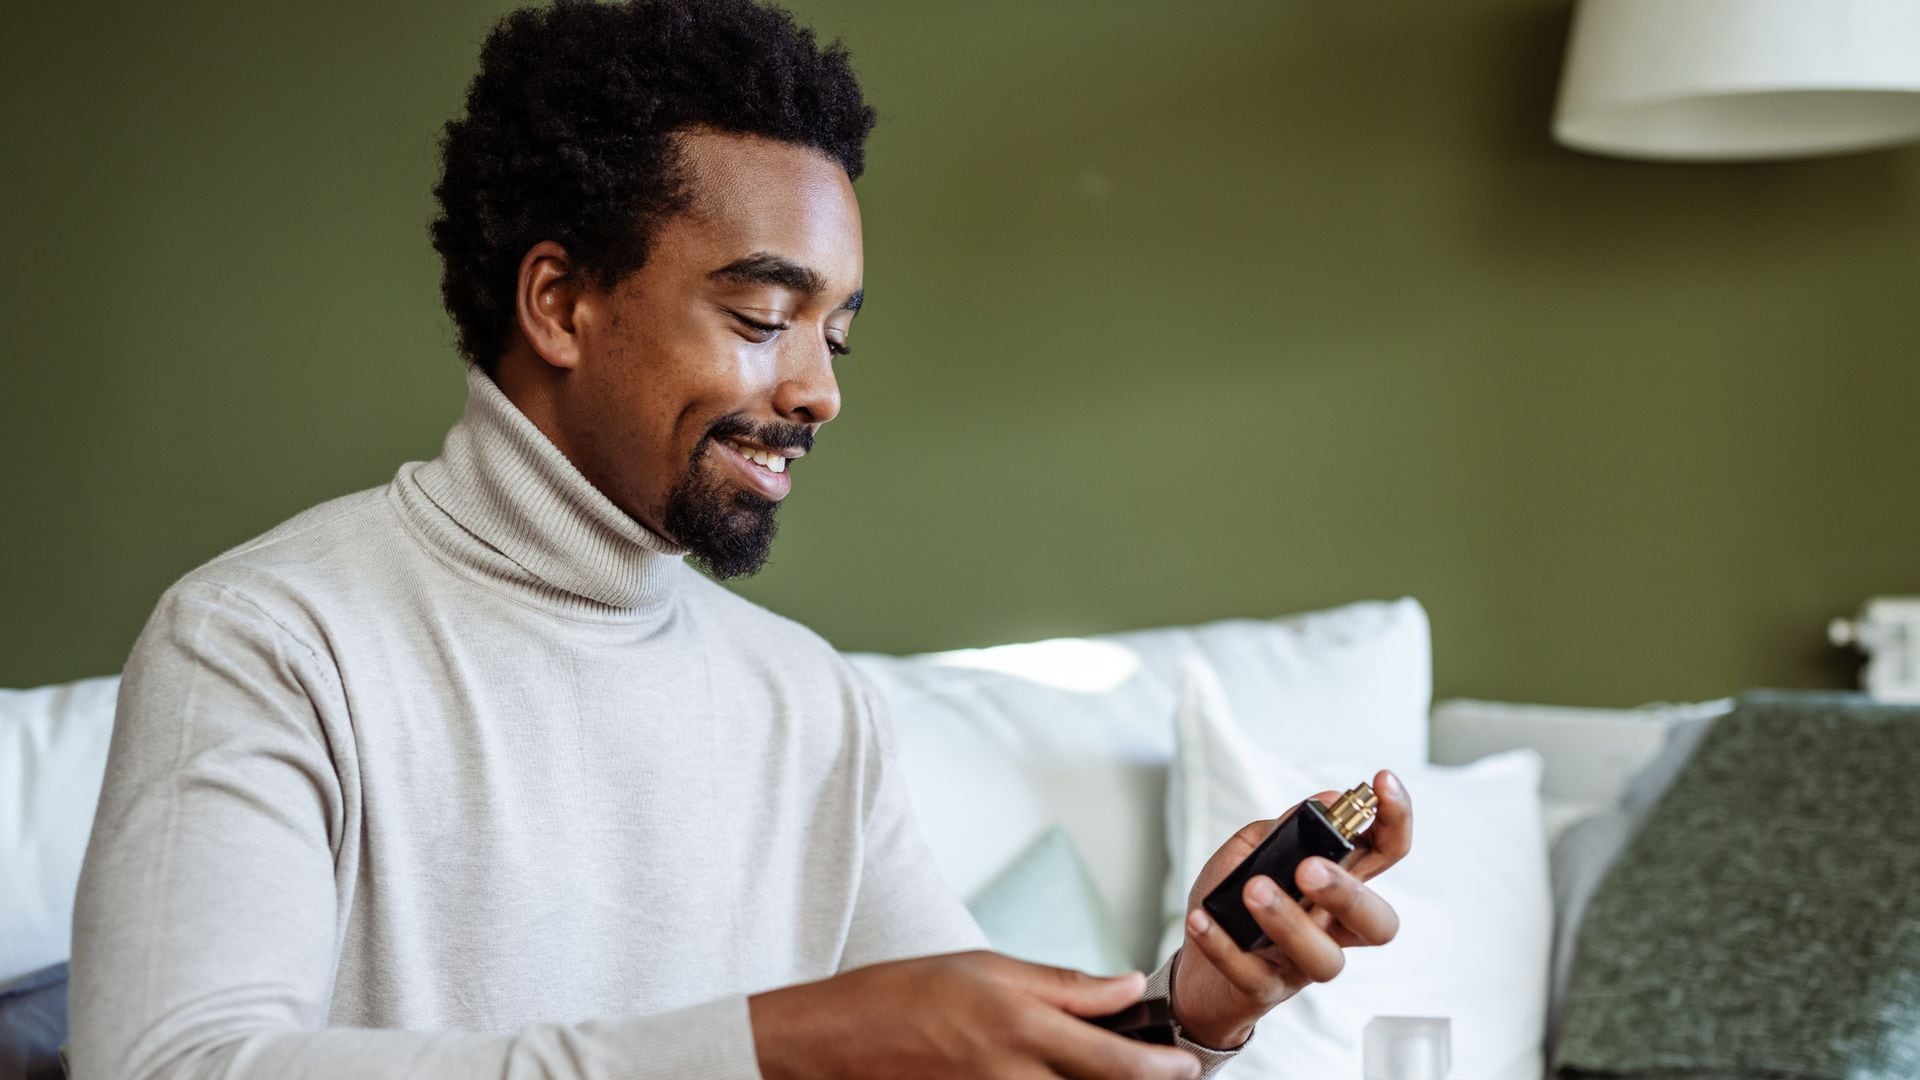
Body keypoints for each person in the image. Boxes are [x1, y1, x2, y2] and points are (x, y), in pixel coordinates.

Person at [69, 1, 1412, 1077]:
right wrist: (780, 1048)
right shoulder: (266, 640)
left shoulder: (806, 703)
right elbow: (181, 1064)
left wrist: (1192, 1009)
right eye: (765, 316)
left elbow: (964, 1056)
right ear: (560, 301)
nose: (822, 391)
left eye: (835, 335)